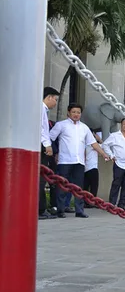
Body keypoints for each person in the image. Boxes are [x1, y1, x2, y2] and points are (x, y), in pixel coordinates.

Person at [49, 103, 110, 218]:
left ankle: (79, 210)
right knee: (62, 186)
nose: (76, 114)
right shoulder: (61, 125)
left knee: (79, 187)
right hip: (65, 161)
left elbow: (93, 143)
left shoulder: (84, 127)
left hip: (79, 162)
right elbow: (50, 138)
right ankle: (60, 210)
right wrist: (54, 153)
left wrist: (103, 154)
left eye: (78, 112)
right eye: (74, 112)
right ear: (68, 112)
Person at [102, 119, 125, 209]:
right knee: (116, 183)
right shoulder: (115, 136)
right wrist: (111, 155)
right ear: (121, 125)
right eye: (124, 124)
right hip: (119, 163)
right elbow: (105, 145)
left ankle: (122, 204)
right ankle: (111, 204)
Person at [39, 87, 60, 220]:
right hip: (42, 147)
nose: (56, 102)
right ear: (49, 97)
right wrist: (47, 145)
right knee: (40, 180)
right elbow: (41, 129)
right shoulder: (41, 109)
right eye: (55, 99)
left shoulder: (42, 110)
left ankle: (41, 208)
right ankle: (40, 209)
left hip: (41, 146)